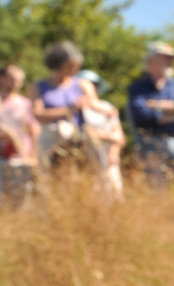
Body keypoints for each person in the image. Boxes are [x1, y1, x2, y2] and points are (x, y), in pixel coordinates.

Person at [128, 42, 174, 199]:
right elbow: (141, 114)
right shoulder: (138, 87)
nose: (170, 62)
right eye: (165, 58)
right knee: (156, 190)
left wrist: (157, 105)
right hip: (151, 143)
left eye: (171, 59)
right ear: (151, 61)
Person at [30, 41, 109, 170]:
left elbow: (95, 105)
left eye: (76, 66)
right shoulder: (37, 86)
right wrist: (70, 109)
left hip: (78, 137)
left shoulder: (83, 84)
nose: (75, 70)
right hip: (51, 137)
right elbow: (38, 114)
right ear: (57, 64)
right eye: (70, 66)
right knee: (47, 176)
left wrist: (108, 111)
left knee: (91, 170)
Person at [75, 70, 126, 197]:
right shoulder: (76, 109)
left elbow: (120, 136)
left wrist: (114, 152)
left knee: (115, 194)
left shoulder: (107, 106)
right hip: (87, 159)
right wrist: (109, 136)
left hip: (109, 159)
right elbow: (82, 133)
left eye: (95, 84)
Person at [0, 65, 38, 209]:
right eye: (12, 79)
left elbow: (33, 131)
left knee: (20, 201)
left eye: (19, 80)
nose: (15, 83)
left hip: (20, 158)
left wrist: (33, 156)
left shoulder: (25, 104)